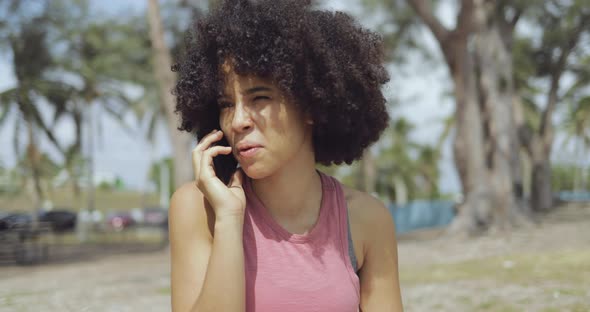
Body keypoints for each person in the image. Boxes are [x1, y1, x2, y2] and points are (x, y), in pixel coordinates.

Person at [168, 0, 403, 311]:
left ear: (310, 105)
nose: (238, 121)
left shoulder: (367, 219)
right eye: (226, 104)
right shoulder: (199, 209)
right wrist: (228, 221)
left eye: (260, 97)